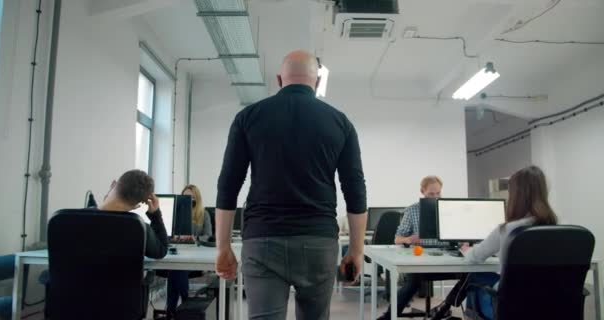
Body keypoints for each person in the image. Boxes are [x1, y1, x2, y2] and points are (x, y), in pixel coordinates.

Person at [214, 50, 368, 320]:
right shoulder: (340, 123)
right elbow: (355, 190)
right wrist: (355, 251)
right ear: (317, 82)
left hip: (262, 240)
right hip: (318, 242)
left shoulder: (248, 117)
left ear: (278, 79)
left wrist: (222, 247)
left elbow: (228, 185)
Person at [431, 165, 558, 320]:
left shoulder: (508, 230)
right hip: (554, 305)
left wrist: (466, 250)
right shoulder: (563, 229)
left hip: (512, 306)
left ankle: (451, 310)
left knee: (474, 274)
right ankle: (446, 308)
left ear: (516, 195)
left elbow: (474, 258)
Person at [378, 176, 458, 320]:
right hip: (421, 260)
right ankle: (389, 316)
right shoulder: (412, 210)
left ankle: (443, 308)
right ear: (422, 191)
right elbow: (397, 239)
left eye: (438, 193)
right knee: (413, 282)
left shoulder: (449, 209)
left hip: (446, 258)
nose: (435, 197)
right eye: (431, 194)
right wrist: (409, 239)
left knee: (470, 275)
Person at [165, 184, 213, 315]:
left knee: (176, 270)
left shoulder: (204, 214)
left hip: (196, 256)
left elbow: (208, 235)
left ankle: (173, 310)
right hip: (178, 252)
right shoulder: (177, 213)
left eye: (191, 197)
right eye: (185, 197)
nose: (188, 200)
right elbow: (169, 232)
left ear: (196, 198)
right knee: (175, 268)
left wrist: (195, 238)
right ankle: (183, 308)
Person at [100, 169, 169, 259]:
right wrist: (156, 215)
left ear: (113, 184)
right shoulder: (139, 228)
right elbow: (162, 250)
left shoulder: (77, 218)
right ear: (137, 204)